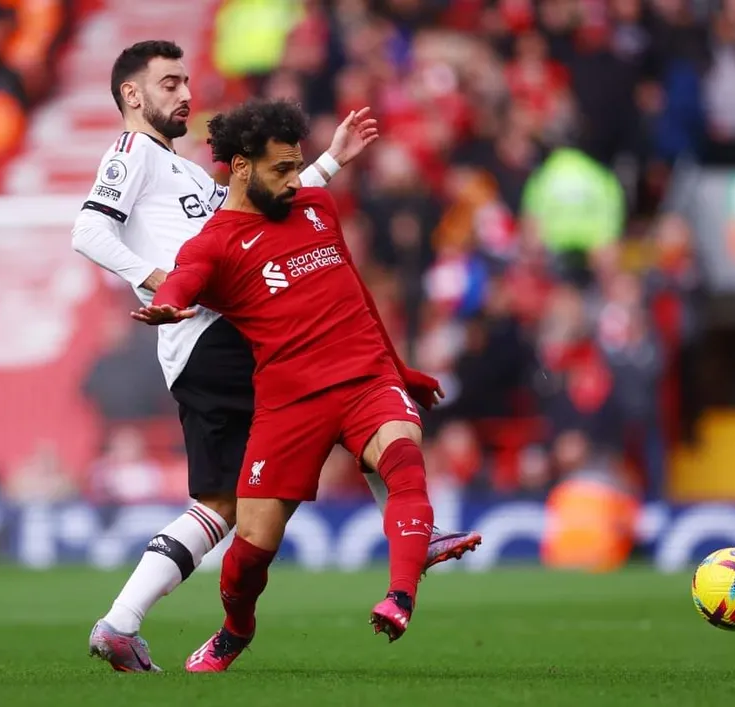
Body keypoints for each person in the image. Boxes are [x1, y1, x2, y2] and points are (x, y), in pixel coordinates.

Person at [73, 41, 481, 673]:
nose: (186, 94)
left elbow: (264, 209)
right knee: (342, 372)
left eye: (186, 81)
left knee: (218, 506)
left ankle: (120, 624)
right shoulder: (132, 154)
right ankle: (411, 526)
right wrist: (162, 280)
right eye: (170, 83)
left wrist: (325, 166)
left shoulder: (175, 166)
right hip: (210, 333)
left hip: (204, 340)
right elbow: (89, 230)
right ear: (133, 95)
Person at [134, 98, 446, 671]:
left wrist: (400, 371)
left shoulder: (317, 206)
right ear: (242, 168)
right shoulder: (216, 243)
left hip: (363, 378)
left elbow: (358, 294)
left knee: (404, 457)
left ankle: (401, 594)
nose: (294, 180)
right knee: (248, 557)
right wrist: (169, 304)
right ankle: (234, 631)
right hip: (288, 404)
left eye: (297, 166)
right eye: (282, 169)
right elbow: (186, 278)